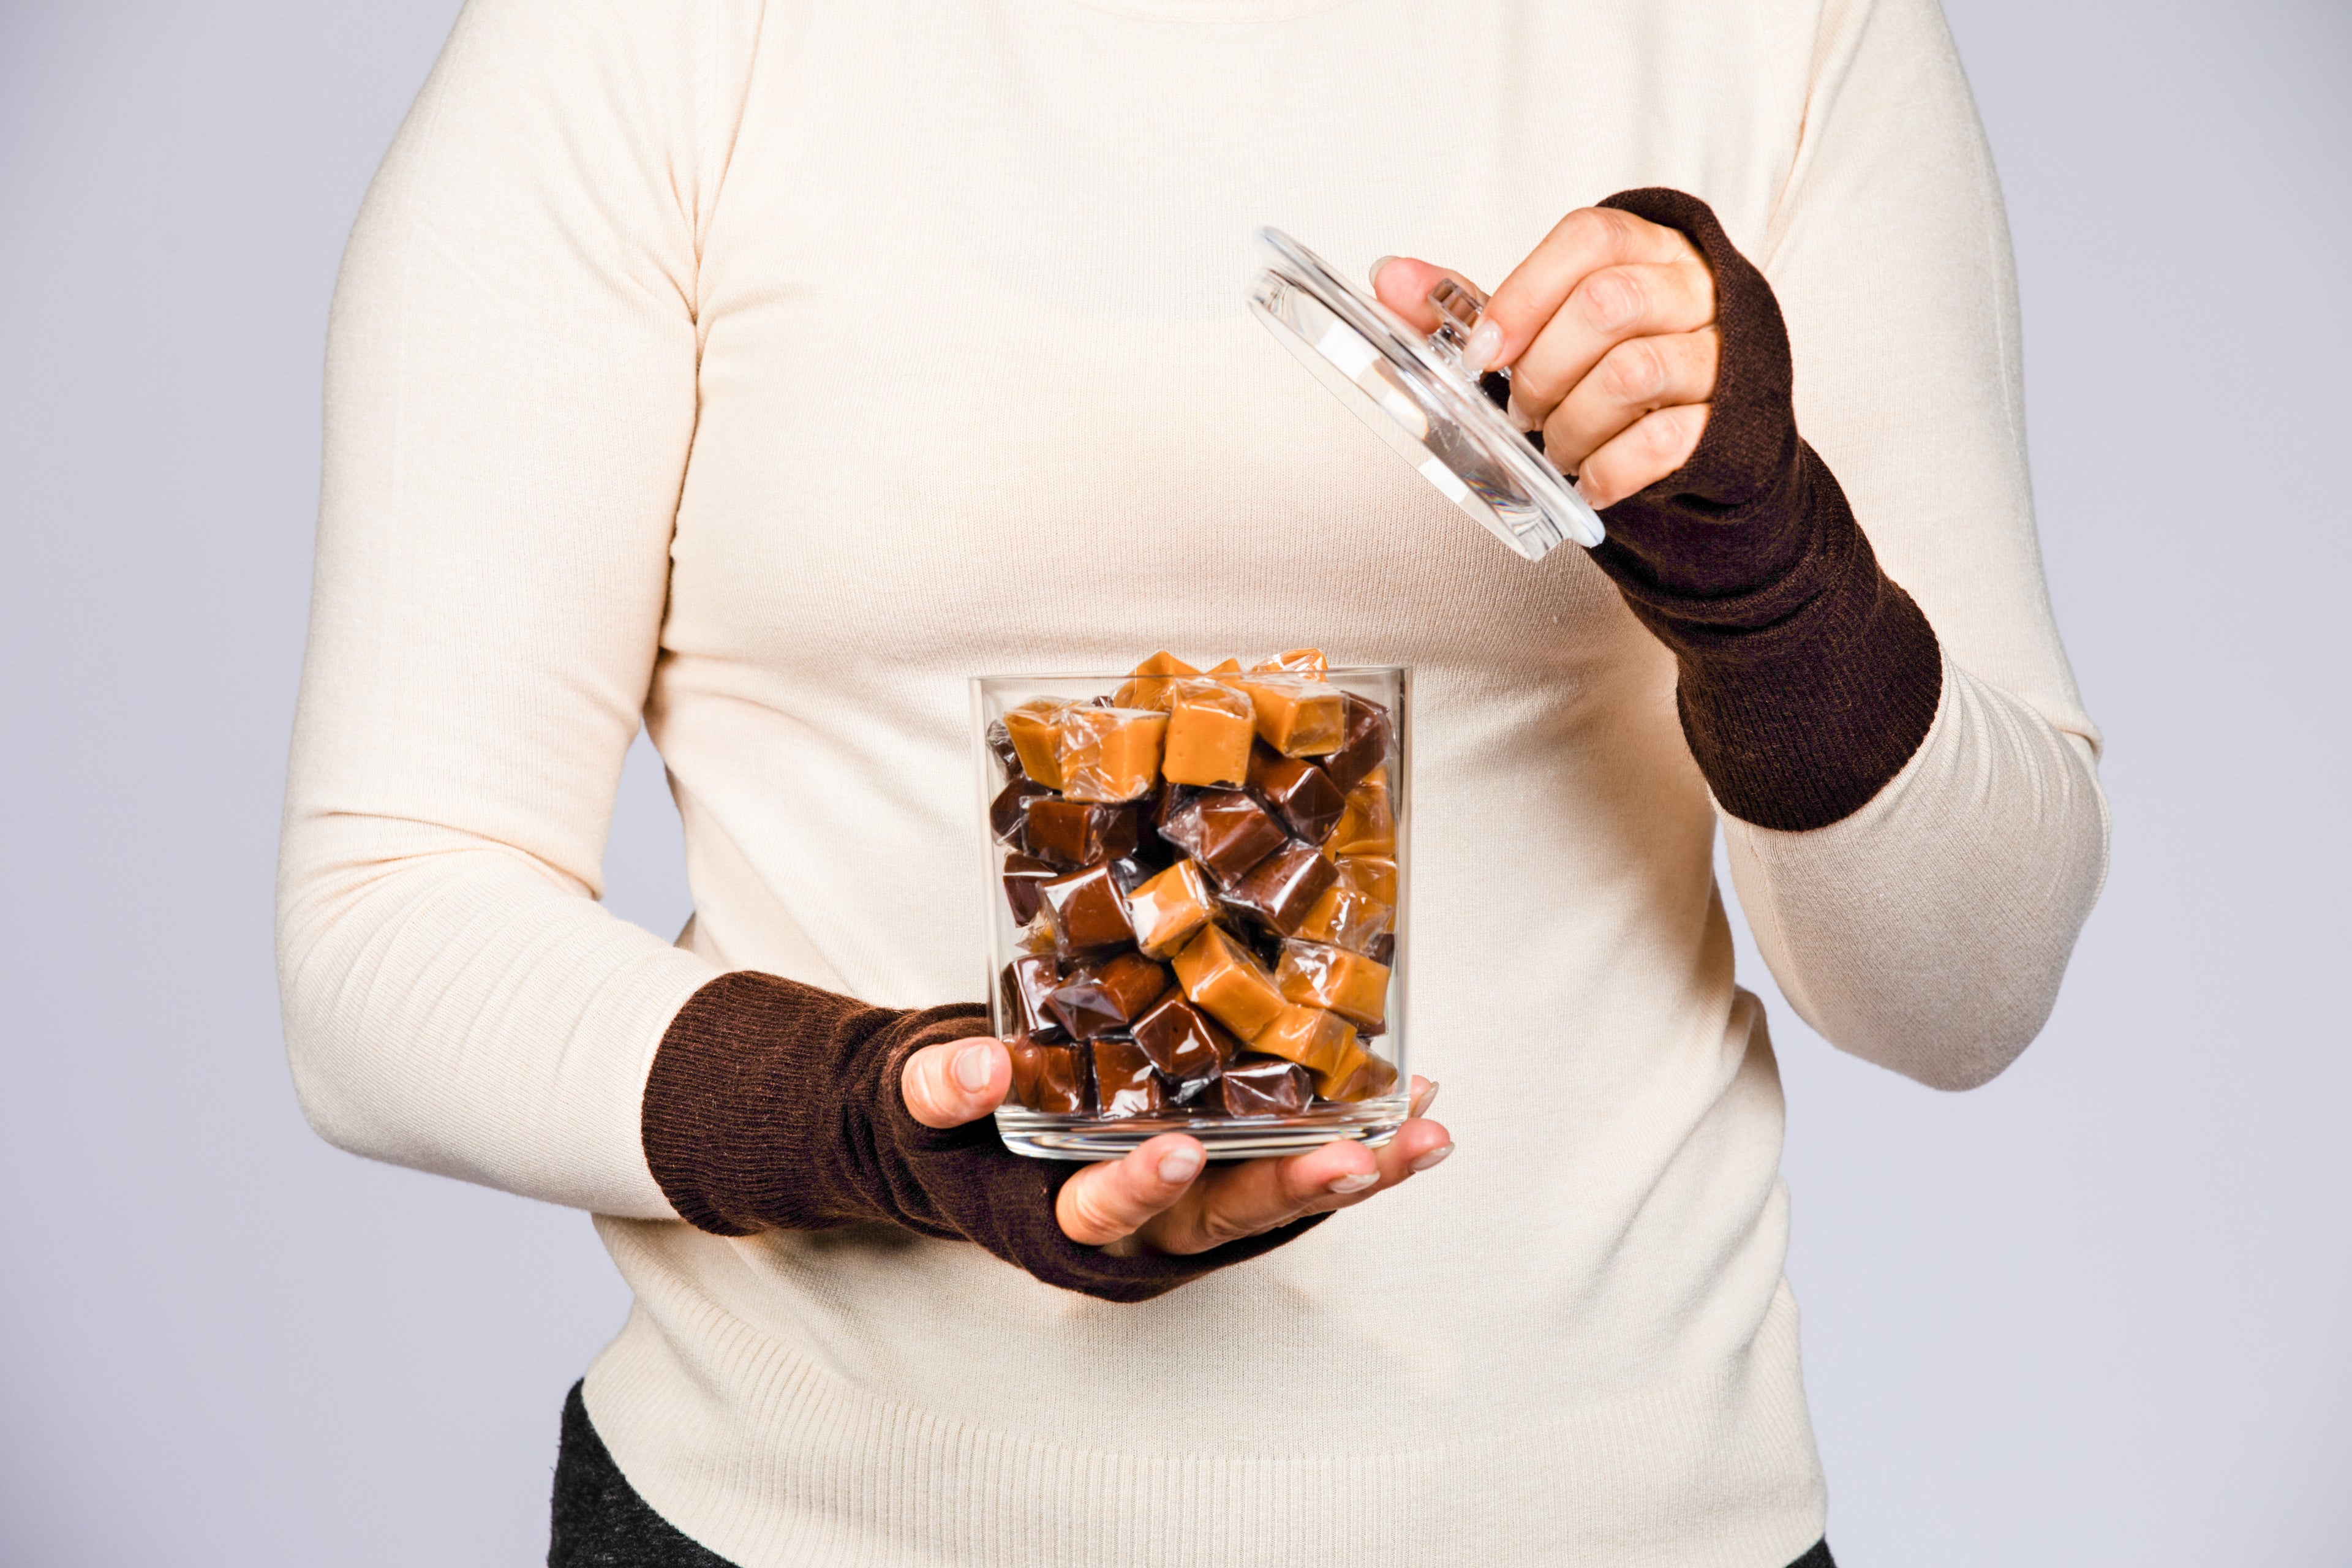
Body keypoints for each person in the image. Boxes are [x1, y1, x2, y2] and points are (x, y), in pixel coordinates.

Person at [276, 0, 2108, 1561]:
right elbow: (383, 938)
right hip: (792, 1533)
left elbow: (1965, 987)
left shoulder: (1775, 30)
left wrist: (1773, 582)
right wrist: (885, 1125)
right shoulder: (649, 40)